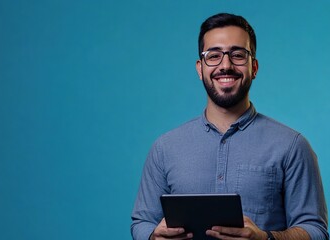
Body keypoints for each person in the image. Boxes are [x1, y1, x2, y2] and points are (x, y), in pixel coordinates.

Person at [131, 13, 328, 240]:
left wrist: (266, 238)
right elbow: (142, 222)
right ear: (200, 68)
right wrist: (153, 236)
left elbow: (316, 231)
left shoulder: (292, 146)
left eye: (238, 55)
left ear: (254, 67)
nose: (225, 65)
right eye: (213, 55)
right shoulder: (164, 148)